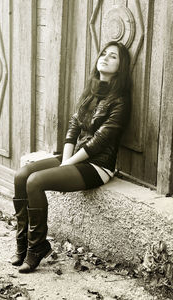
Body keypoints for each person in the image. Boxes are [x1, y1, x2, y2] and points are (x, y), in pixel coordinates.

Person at [11, 41, 131, 273]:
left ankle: (37, 248)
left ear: (121, 66)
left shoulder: (120, 101)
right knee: (21, 175)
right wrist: (66, 159)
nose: (105, 58)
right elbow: (73, 126)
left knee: (35, 182)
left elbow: (99, 142)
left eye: (113, 56)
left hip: (97, 166)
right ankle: (23, 243)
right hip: (76, 157)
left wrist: (66, 165)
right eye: (103, 54)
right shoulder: (91, 91)